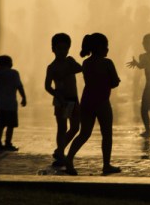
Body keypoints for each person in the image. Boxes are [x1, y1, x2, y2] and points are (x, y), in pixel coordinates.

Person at [64, 33, 121, 175]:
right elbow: (114, 82)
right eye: (106, 46)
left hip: (87, 101)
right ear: (101, 48)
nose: (108, 49)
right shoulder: (107, 63)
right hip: (102, 102)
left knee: (84, 133)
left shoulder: (86, 63)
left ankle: (69, 158)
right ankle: (106, 165)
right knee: (106, 134)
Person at [44, 33, 82, 167]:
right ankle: (60, 153)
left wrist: (72, 64)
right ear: (53, 49)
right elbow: (47, 86)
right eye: (59, 49)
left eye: (65, 49)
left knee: (75, 127)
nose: (62, 52)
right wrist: (57, 95)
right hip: (61, 101)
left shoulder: (70, 62)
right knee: (62, 127)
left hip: (73, 99)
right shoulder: (52, 67)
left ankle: (60, 149)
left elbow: (80, 69)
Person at [126, 33, 150, 137]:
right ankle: (148, 130)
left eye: (147, 43)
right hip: (149, 86)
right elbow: (141, 66)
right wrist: (136, 63)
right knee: (144, 109)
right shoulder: (143, 56)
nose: (144, 45)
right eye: (144, 43)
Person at [0, 55, 27, 151]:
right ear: (11, 64)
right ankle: (8, 143)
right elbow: (19, 86)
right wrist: (24, 98)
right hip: (11, 104)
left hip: (0, 104)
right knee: (10, 125)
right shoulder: (14, 73)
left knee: (0, 125)